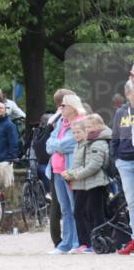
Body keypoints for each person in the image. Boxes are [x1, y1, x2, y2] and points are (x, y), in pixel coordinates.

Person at [62, 114, 111, 253]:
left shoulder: (97, 143)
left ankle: (100, 241)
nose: (88, 129)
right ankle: (88, 242)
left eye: (89, 127)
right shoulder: (83, 144)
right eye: (87, 127)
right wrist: (70, 173)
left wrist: (73, 174)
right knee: (83, 212)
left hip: (95, 182)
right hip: (83, 182)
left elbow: (93, 165)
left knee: (95, 213)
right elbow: (79, 164)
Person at [47, 94, 84, 254]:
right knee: (65, 209)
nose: (60, 108)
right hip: (56, 170)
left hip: (70, 171)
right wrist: (57, 146)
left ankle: (77, 242)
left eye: (63, 106)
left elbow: (68, 144)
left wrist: (57, 146)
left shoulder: (80, 122)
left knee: (75, 207)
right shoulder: (61, 122)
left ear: (72, 107)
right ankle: (65, 244)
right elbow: (48, 144)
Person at [110, 80, 134, 255]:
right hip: (124, 162)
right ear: (128, 94)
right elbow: (115, 136)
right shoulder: (121, 112)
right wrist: (115, 158)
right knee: (132, 202)